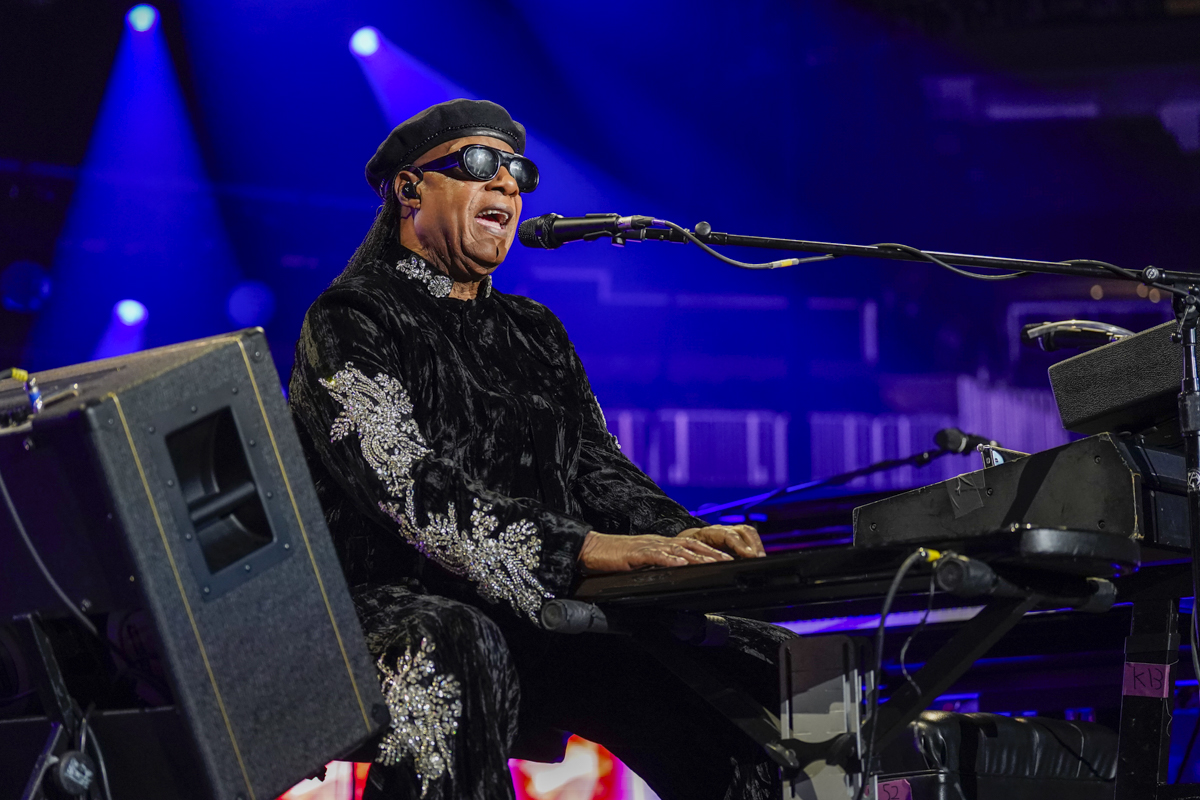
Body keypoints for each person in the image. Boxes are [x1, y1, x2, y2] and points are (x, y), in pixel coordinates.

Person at [288, 98, 794, 800]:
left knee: (746, 657)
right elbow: (410, 488)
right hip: (378, 606)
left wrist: (682, 538)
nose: (507, 184)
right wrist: (582, 548)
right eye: (476, 165)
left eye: (517, 171)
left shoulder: (534, 330)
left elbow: (596, 465)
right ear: (409, 189)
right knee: (455, 641)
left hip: (530, 604)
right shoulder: (350, 317)